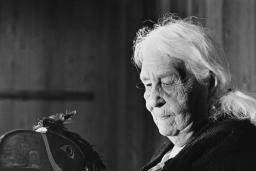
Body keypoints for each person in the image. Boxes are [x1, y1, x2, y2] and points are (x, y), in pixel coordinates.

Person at [133, 15, 256, 171]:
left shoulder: (233, 145)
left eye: (167, 82)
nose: (153, 100)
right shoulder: (172, 148)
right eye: (148, 84)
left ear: (209, 82)